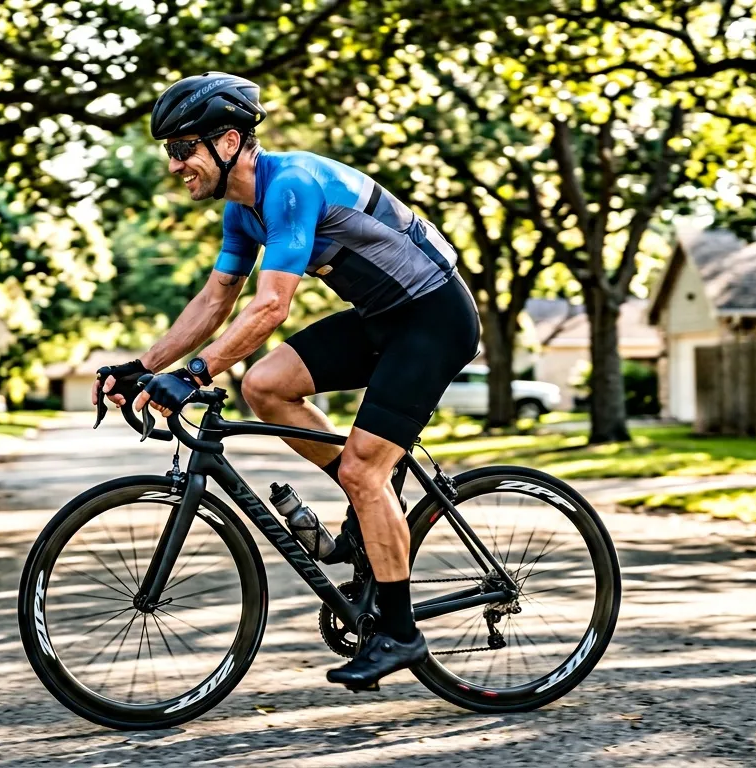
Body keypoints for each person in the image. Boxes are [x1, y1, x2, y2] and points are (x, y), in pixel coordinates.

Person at [91, 72, 481, 689]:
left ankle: (401, 633)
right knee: (267, 385)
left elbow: (272, 307)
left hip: (434, 318)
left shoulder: (291, 185)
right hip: (382, 318)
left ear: (227, 141)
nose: (175, 167)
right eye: (171, 152)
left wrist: (194, 375)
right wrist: (146, 366)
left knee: (362, 470)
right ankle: (369, 516)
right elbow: (218, 298)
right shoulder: (242, 213)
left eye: (183, 149)